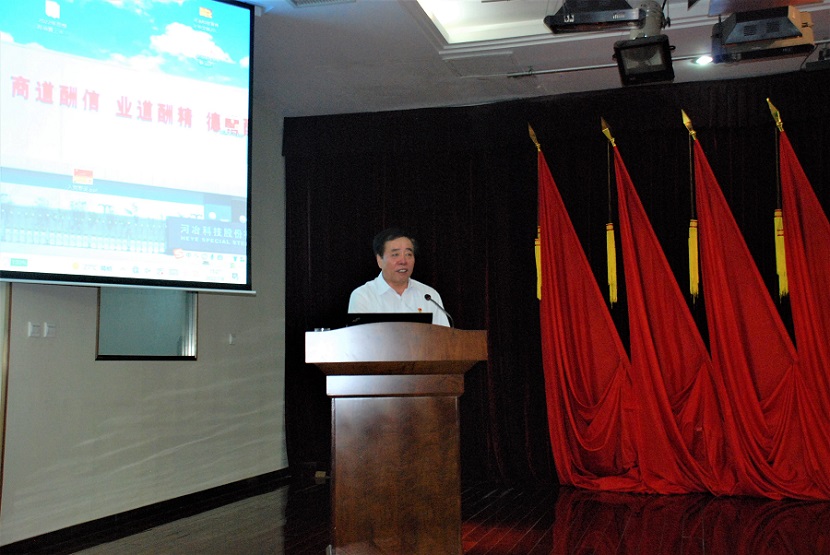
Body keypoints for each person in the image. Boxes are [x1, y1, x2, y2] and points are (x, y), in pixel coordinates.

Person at [348, 227, 451, 327]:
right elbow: (358, 337)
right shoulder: (363, 296)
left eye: (408, 254)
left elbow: (444, 336)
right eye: (395, 254)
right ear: (379, 260)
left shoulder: (429, 296)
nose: (403, 261)